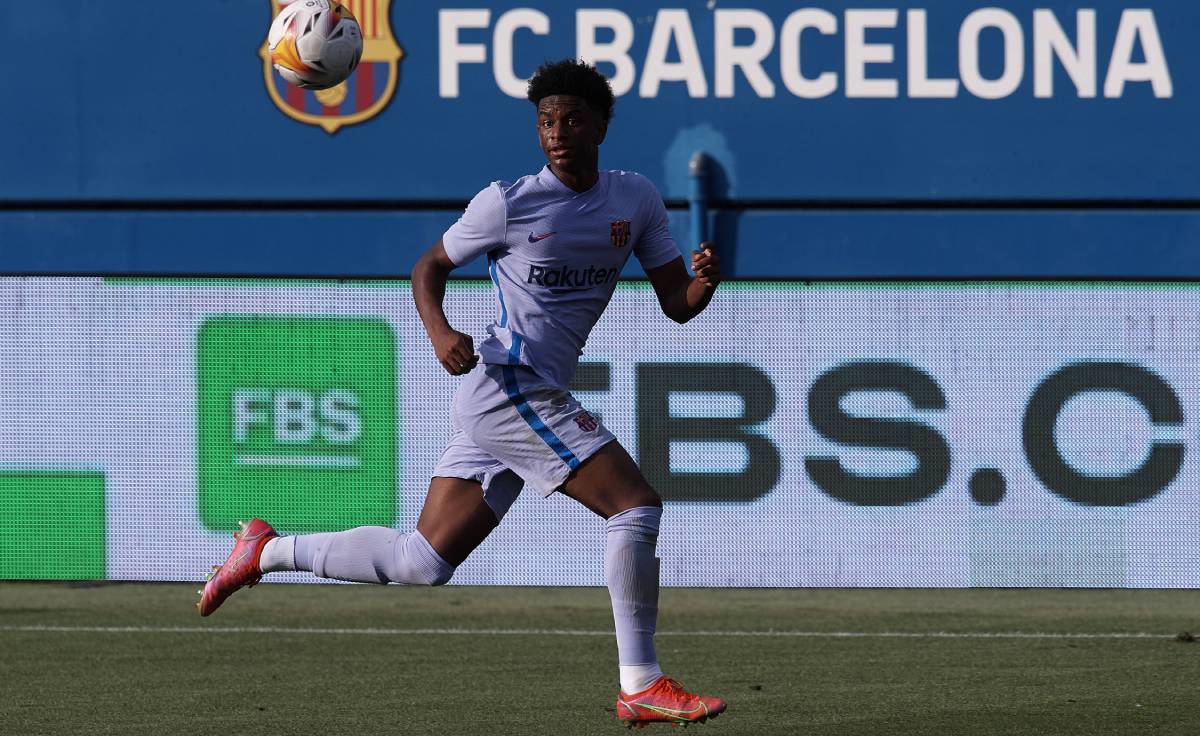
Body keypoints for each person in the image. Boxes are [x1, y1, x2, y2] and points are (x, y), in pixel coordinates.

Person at [198, 58, 726, 728]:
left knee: (424, 561)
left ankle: (264, 550)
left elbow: (676, 303)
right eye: (545, 121)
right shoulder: (508, 201)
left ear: (600, 125)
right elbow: (430, 266)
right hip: (508, 388)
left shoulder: (635, 200)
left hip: (523, 395)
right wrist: (439, 330)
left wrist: (704, 282)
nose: (557, 132)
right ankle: (640, 683)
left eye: (571, 119)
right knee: (635, 507)